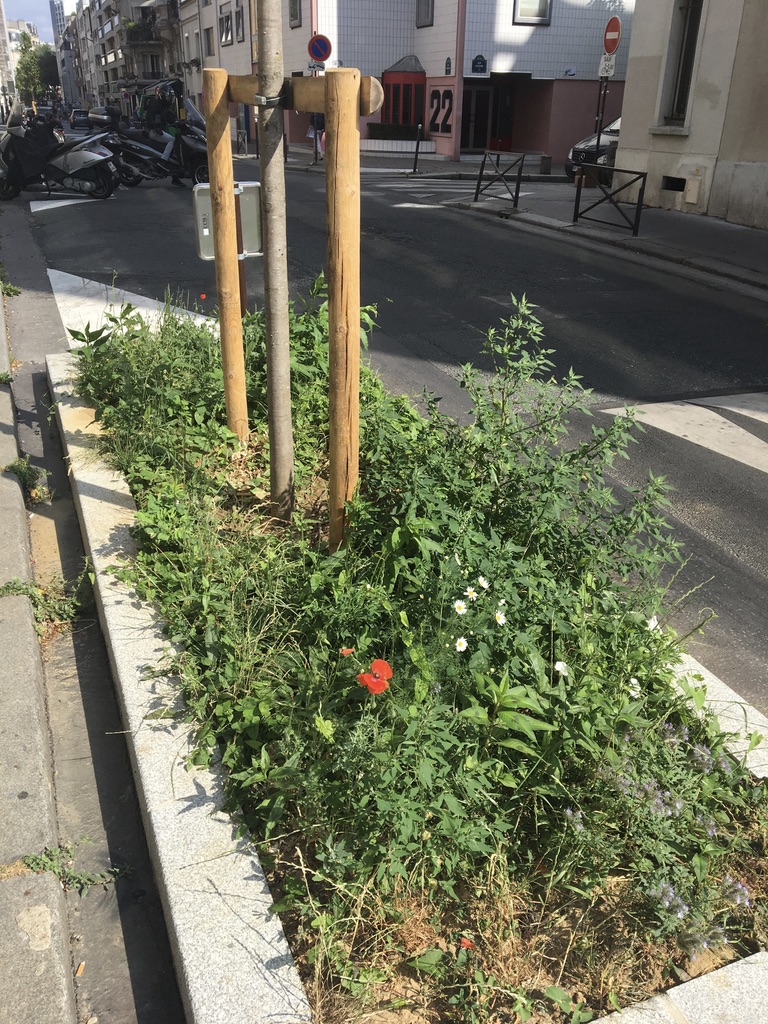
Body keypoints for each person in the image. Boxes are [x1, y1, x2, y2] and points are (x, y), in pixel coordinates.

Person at [144, 84, 184, 187]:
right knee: (172, 141)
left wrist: (181, 122)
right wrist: (155, 126)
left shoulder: (164, 107)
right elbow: (149, 117)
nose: (169, 99)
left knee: (175, 150)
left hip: (160, 131)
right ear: (162, 95)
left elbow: (170, 117)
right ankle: (163, 161)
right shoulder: (155, 105)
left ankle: (175, 177)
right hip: (153, 131)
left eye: (170, 97)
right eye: (168, 97)